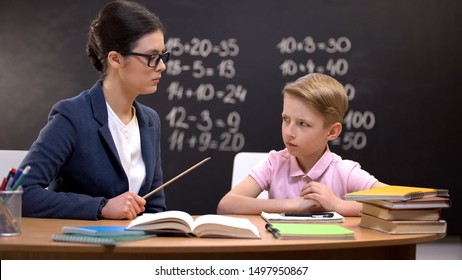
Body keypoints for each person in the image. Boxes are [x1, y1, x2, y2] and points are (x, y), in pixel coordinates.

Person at [19, 0, 170, 220]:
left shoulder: (149, 120)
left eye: (162, 56)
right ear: (115, 59)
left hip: (132, 248)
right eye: (151, 57)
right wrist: (102, 207)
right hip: (81, 247)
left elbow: (154, 206)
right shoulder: (72, 116)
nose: (162, 66)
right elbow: (21, 194)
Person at [217, 73, 387, 216]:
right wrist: (294, 204)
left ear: (332, 132)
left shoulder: (345, 172)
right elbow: (227, 205)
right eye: (286, 119)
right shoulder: (273, 163)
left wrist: (338, 205)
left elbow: (402, 201)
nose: (289, 132)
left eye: (303, 124)